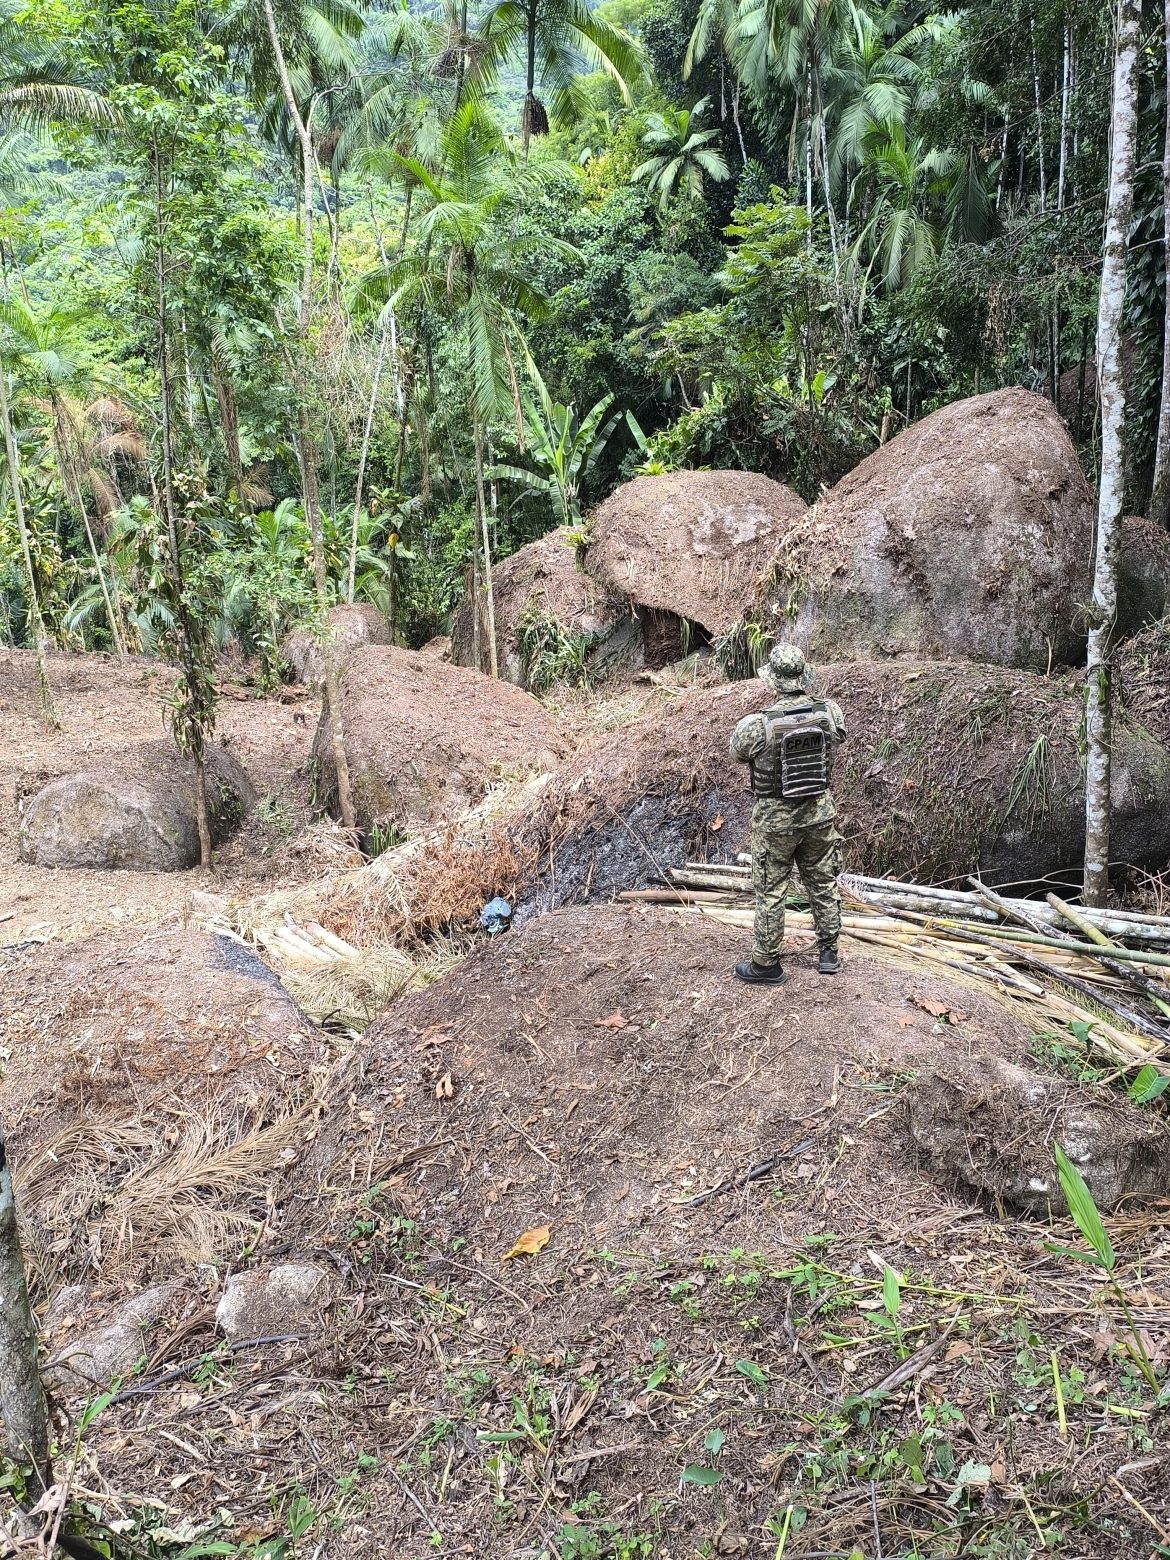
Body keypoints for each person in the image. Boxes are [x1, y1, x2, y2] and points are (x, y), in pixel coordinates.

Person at [729, 643, 846, 984]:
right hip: (819, 814)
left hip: (775, 822)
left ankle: (766, 964)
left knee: (771, 889)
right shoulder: (829, 713)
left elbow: (737, 754)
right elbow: (838, 737)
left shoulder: (756, 725)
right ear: (802, 676)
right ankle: (828, 953)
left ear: (773, 681)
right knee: (823, 882)